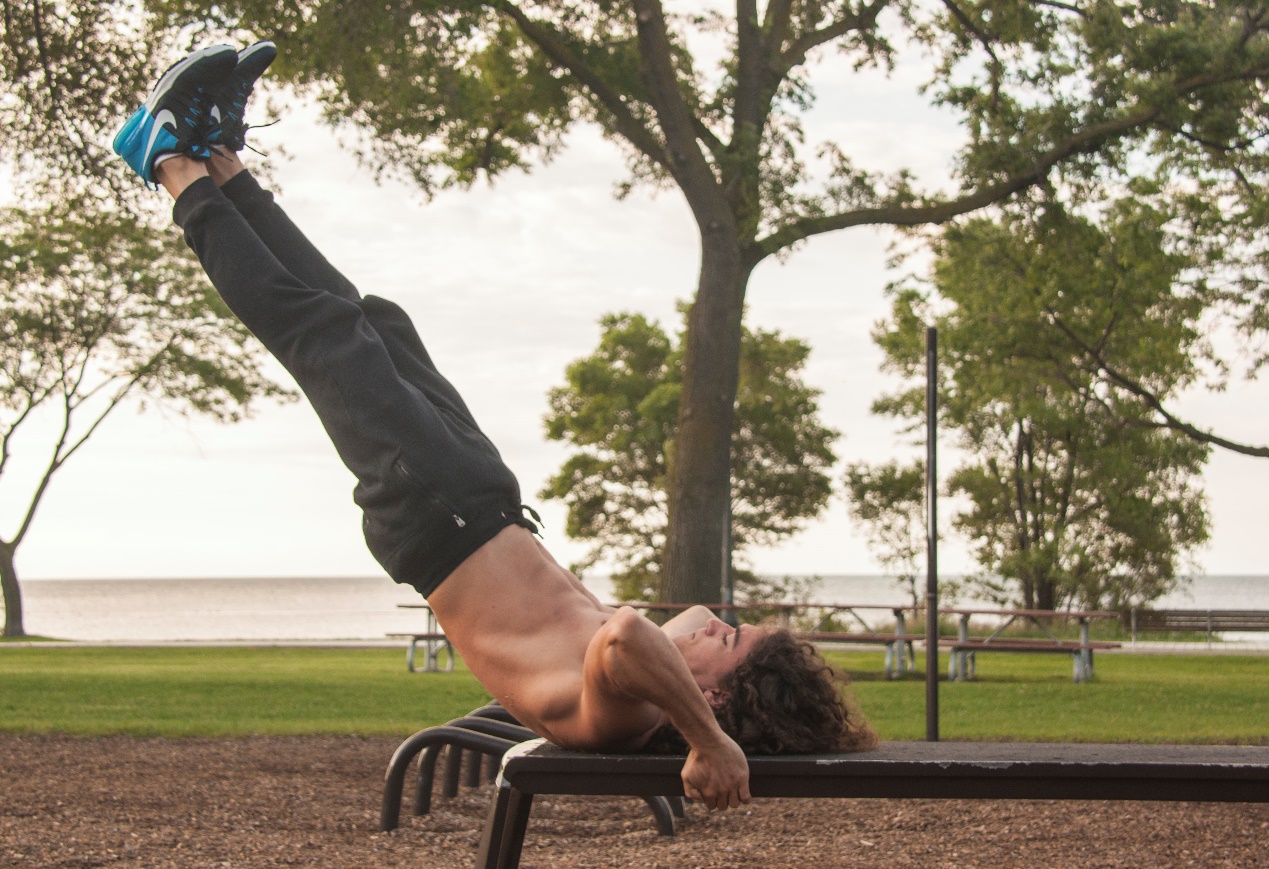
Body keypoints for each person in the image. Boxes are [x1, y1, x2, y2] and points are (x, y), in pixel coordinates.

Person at [113, 42, 876, 811]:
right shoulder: (652, 691)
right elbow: (655, 625)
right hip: (473, 495)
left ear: (709, 698)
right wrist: (716, 683)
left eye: (728, 643)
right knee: (371, 321)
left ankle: (172, 164)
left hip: (439, 512)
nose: (716, 621)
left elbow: (622, 636)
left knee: (318, 333)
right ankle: (217, 155)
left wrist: (712, 743)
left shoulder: (630, 709)